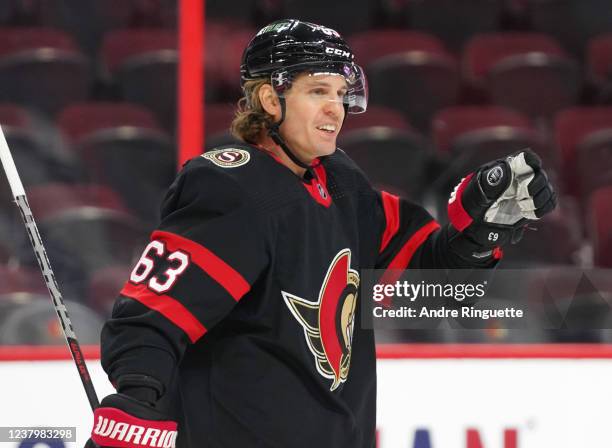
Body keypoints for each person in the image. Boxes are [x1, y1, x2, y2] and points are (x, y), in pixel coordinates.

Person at [87, 19, 556, 448]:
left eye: (340, 92)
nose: (336, 108)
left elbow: (431, 287)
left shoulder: (341, 183)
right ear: (271, 100)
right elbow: (152, 315)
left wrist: (480, 231)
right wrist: (139, 403)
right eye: (317, 92)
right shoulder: (233, 187)